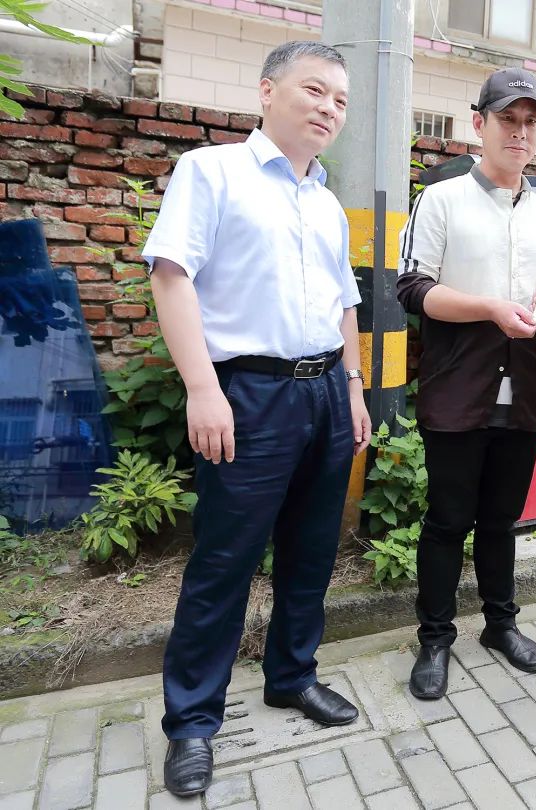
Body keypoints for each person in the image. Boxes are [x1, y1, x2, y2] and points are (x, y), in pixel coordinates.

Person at [143, 41, 371, 797]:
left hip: (324, 392)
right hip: (248, 395)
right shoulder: (211, 171)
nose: (329, 108)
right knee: (225, 560)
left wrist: (354, 387)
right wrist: (202, 388)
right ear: (268, 91)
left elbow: (345, 303)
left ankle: (292, 676)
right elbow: (171, 276)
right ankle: (192, 722)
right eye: (315, 90)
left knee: (312, 551)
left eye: (340, 100)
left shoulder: (326, 200)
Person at [396, 68, 536, 700]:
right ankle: (434, 638)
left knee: (502, 519)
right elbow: (412, 289)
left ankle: (501, 625)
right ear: (479, 123)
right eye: (508, 119)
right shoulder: (441, 200)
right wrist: (491, 309)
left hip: (524, 387)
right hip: (458, 385)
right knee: (448, 520)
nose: (520, 132)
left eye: (531, 122)